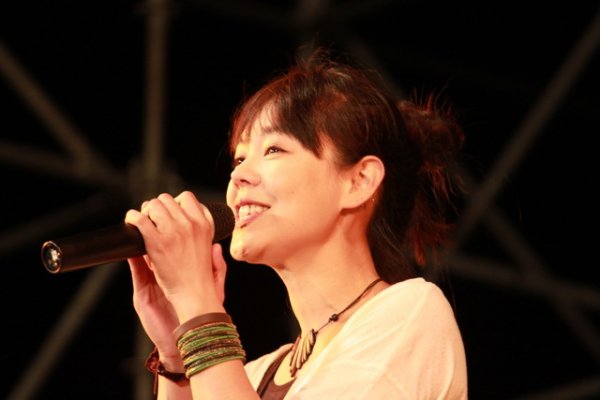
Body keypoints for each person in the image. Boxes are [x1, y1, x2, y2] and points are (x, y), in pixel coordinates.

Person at [125, 47, 468, 399]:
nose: (238, 175)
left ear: (359, 181)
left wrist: (195, 298)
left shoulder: (409, 314)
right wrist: (177, 355)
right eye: (239, 158)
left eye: (273, 150)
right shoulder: (252, 377)